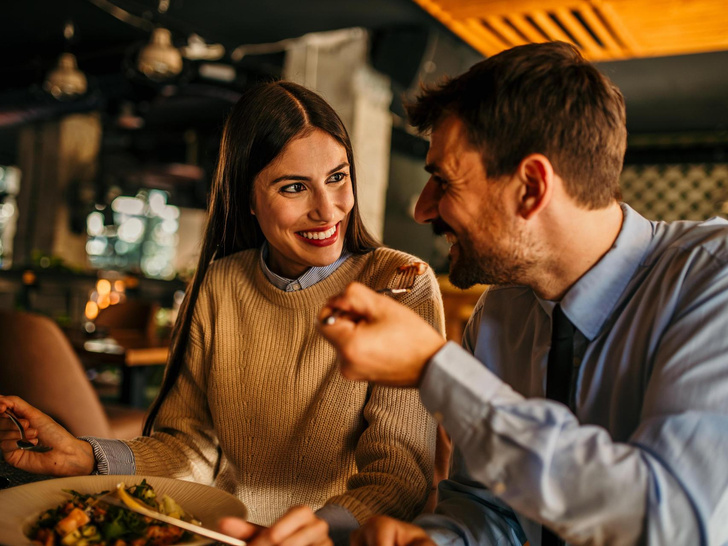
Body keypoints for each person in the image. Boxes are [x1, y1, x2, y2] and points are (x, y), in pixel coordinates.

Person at [316, 41, 728, 545]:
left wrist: (434, 369)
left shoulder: (714, 279)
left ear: (531, 187)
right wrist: (439, 542)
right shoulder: (499, 313)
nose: (423, 210)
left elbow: (670, 520)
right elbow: (487, 505)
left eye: (443, 182)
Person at [0, 81, 446, 545]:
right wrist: (85, 455)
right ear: (248, 199)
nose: (327, 209)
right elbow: (190, 445)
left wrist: (319, 530)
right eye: (294, 187)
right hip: (221, 535)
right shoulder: (218, 284)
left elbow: (400, 472)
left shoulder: (401, 282)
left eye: (337, 176)